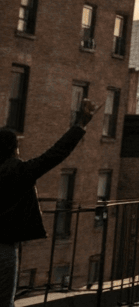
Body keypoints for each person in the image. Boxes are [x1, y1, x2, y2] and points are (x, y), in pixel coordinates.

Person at [0, 99, 98, 307]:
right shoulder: (21, 172)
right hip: (4, 248)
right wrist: (80, 125)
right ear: (13, 150)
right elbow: (55, 154)